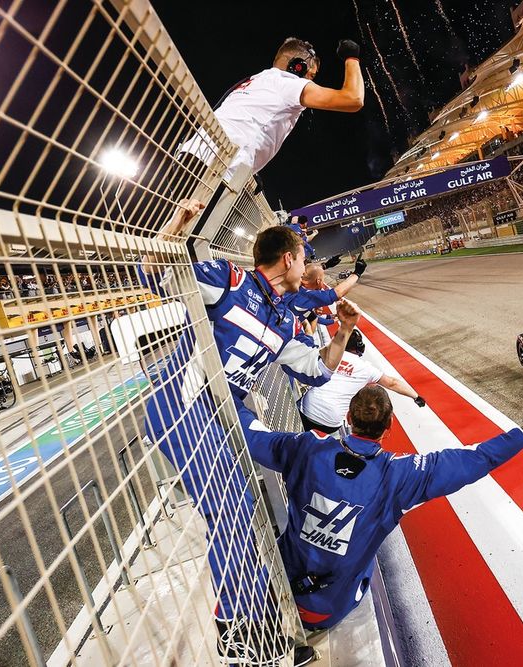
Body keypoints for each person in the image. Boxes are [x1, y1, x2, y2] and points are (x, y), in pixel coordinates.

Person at [140, 200, 359, 665]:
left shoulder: (284, 317)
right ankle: (238, 632)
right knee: (233, 508)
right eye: (304, 258)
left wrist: (343, 332)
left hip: (226, 410)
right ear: (288, 259)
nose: (308, 266)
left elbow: (316, 372)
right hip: (186, 405)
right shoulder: (230, 281)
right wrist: (176, 226)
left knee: (291, 461)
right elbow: (155, 273)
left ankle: (263, 615)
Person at [243, 385, 523, 629]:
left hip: (274, 584)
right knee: (367, 552)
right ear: (388, 428)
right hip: (326, 610)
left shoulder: (306, 447)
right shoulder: (400, 475)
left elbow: (251, 432)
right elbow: (477, 458)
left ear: (348, 419)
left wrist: (227, 385)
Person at [177, 38, 364, 181]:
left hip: (190, 156)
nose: (310, 81)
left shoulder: (256, 80)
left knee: (172, 228)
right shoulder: (289, 83)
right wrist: (351, 58)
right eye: (311, 75)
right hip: (219, 167)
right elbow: (353, 99)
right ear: (297, 67)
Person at [298, 329, 425, 433]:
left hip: (306, 410)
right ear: (359, 347)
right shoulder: (367, 369)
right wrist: (416, 396)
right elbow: (392, 383)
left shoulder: (326, 354)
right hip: (330, 423)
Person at [284, 259, 365, 325]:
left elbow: (314, 317)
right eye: (323, 279)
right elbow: (337, 293)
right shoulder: (307, 295)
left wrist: (332, 317)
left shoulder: (298, 290)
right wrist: (357, 273)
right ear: (318, 281)